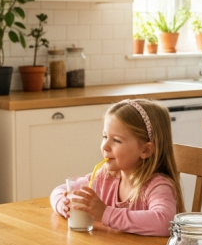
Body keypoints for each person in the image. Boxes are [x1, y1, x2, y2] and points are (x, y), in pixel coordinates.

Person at [50, 99, 184, 236]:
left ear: (145, 150)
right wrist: (63, 204)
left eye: (116, 140)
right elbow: (59, 190)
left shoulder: (157, 186)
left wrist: (105, 213)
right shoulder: (105, 177)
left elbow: (165, 222)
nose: (105, 146)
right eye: (105, 136)